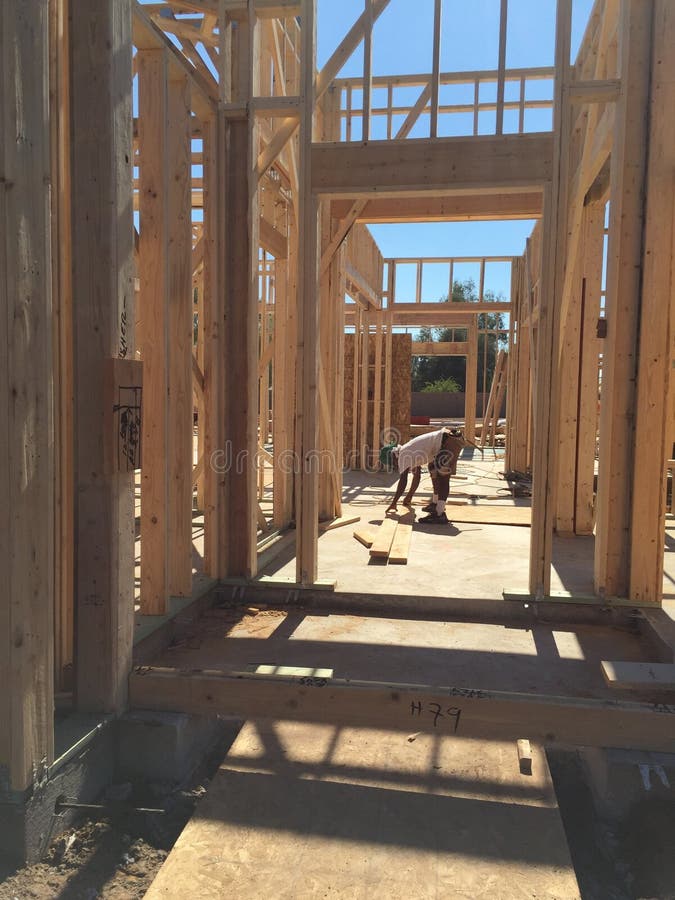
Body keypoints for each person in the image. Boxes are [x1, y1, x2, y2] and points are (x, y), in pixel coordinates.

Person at [386, 427, 465, 523]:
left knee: (443, 478)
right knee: (432, 468)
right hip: (447, 440)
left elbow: (403, 481)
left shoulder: (403, 456)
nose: (394, 465)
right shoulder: (409, 451)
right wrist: (409, 496)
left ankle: (439, 514)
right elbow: (417, 476)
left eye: (392, 463)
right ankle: (435, 504)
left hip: (449, 441)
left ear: (393, 457)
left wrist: (394, 503)